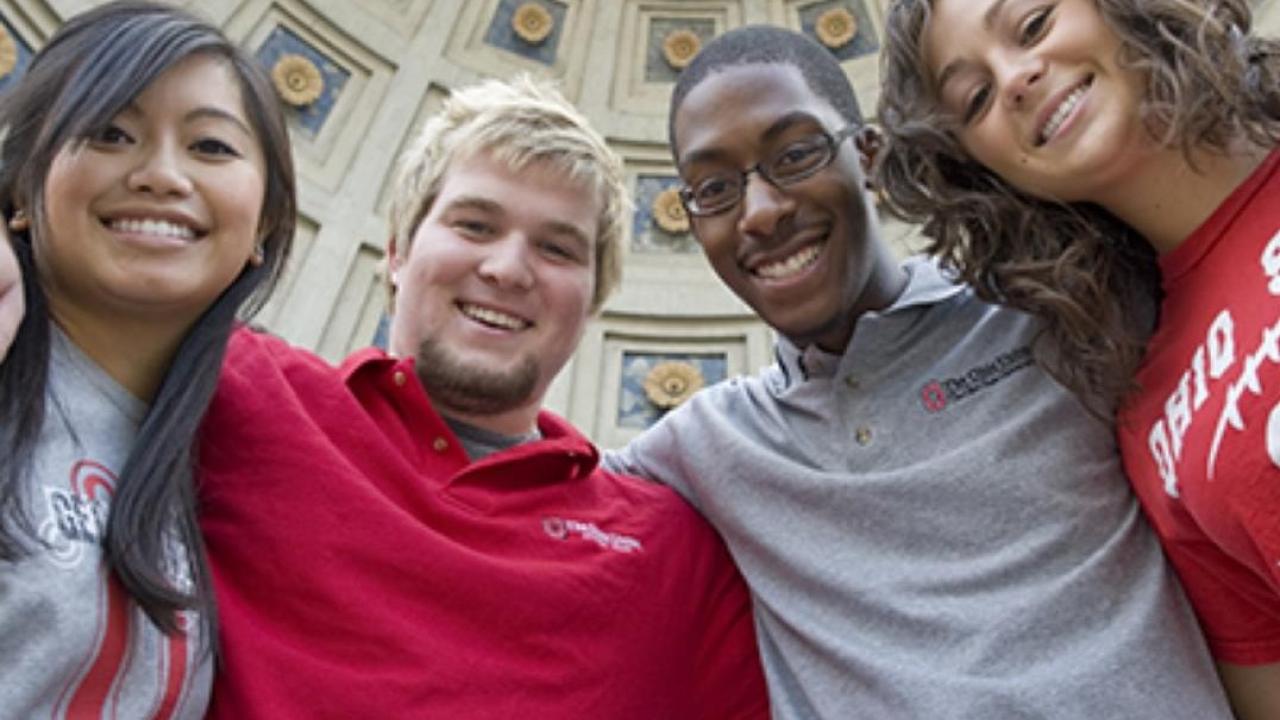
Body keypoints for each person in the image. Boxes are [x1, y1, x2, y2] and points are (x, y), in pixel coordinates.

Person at [604, 24, 1234, 718]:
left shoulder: (1053, 298)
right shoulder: (704, 448)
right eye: (713, 189)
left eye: (796, 153)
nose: (761, 211)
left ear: (869, 157)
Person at [194, 75, 768, 719]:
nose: (507, 269)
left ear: (591, 302)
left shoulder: (675, 551)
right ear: (396, 253)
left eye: (556, 248)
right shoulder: (239, 391)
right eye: (474, 224)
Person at [875, 0, 1280, 715]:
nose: (1015, 80)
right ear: (988, 173)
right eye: (974, 99)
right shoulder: (1153, 425)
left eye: (1031, 26)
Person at [0, 1, 295, 717]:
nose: (162, 175)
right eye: (111, 133)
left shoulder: (240, 453)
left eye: (211, 148)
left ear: (263, 225)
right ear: (20, 196)